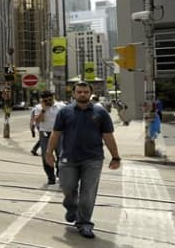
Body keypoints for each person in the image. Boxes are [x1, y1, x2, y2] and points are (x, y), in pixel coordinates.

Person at [45, 81, 121, 240]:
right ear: (73, 94)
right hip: (68, 158)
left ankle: (84, 223)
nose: (82, 94)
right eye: (79, 92)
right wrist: (49, 152)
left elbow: (108, 136)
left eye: (85, 92)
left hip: (93, 159)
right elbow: (56, 133)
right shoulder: (64, 112)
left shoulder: (101, 113)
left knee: (88, 194)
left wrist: (115, 156)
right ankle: (71, 207)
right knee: (67, 188)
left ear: (90, 93)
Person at [33, 91, 65, 185]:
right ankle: (51, 177)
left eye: (50, 100)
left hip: (59, 133)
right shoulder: (39, 107)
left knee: (61, 155)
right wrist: (43, 109)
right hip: (45, 134)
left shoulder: (61, 106)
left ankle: (60, 174)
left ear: (53, 97)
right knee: (46, 156)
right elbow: (38, 120)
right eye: (45, 100)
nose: (48, 102)